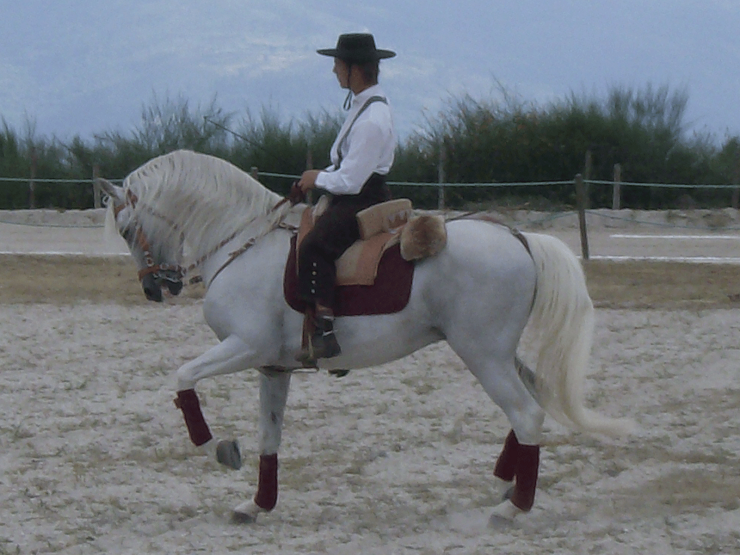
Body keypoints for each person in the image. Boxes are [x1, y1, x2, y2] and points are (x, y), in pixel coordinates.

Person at [295, 33, 398, 363]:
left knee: (314, 246)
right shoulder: (363, 107)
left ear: (354, 70)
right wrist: (313, 179)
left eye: (338, 64)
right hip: (356, 192)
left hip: (361, 199)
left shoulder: (372, 119)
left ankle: (325, 330)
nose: (334, 70)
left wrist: (317, 178)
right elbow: (346, 164)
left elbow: (351, 181)